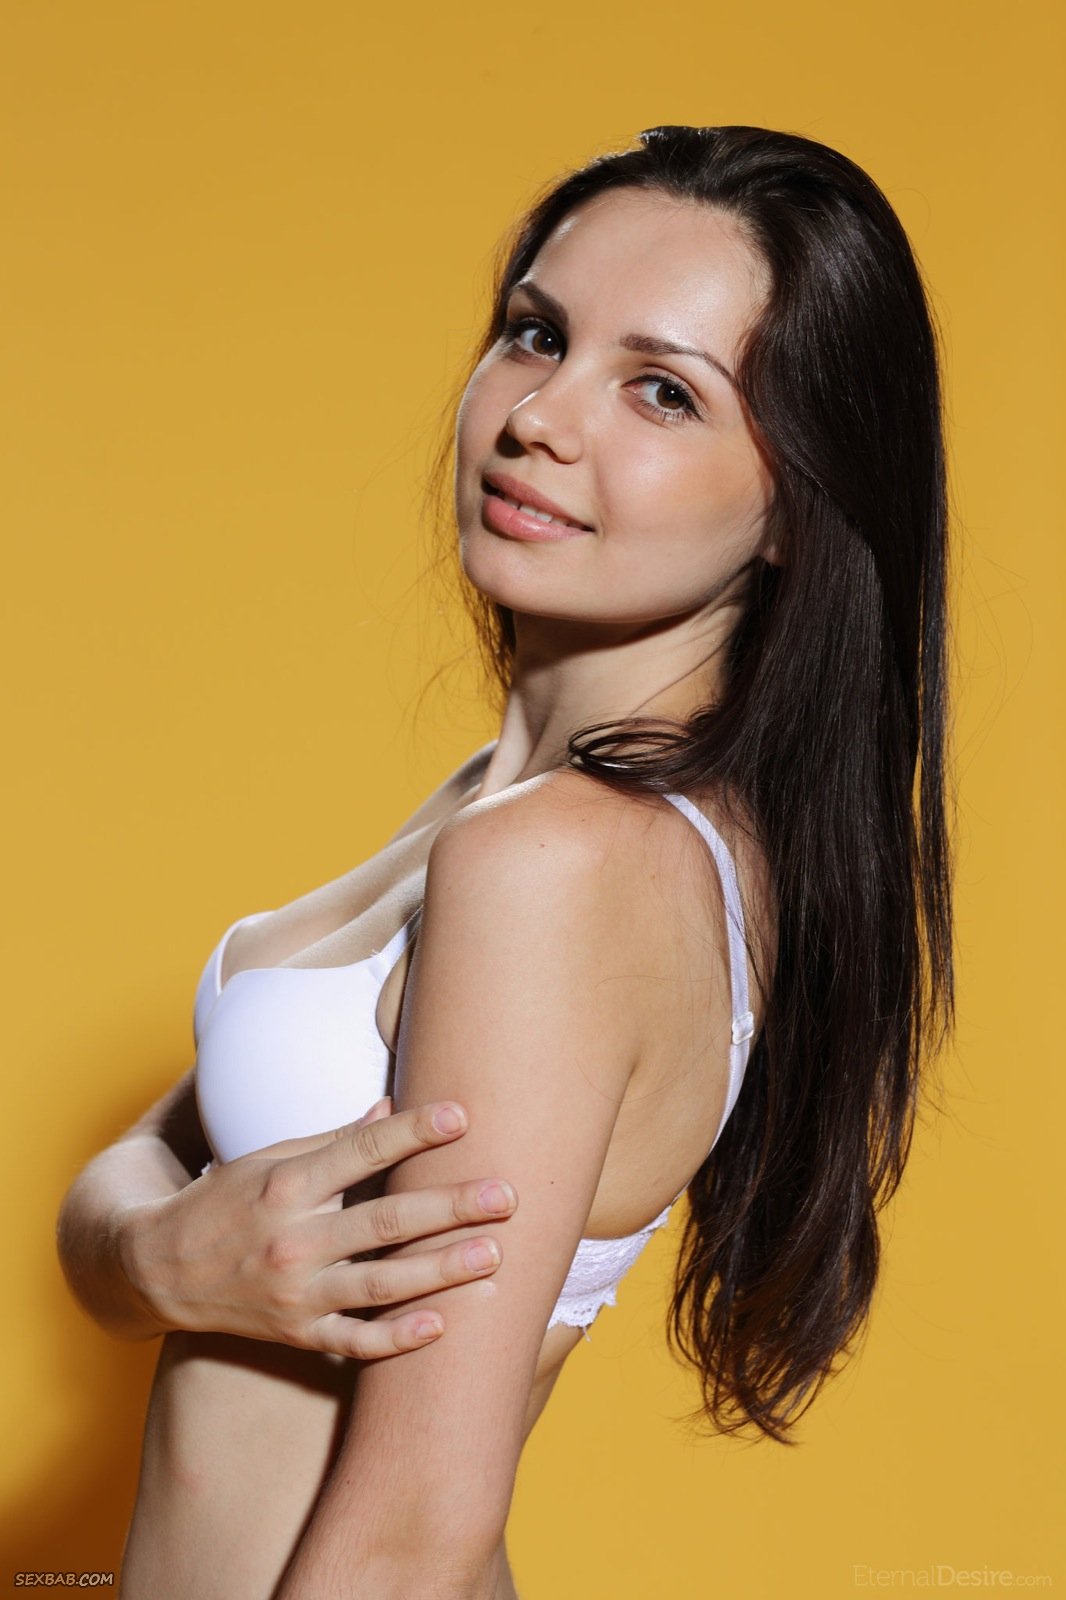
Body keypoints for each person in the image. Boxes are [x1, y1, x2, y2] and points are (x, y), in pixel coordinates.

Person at [56, 124, 955, 1599]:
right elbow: (140, 1177)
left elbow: (419, 1532)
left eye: (662, 390)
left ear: (797, 503)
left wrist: (139, 1253)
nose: (539, 417)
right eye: (537, 334)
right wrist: (150, 1258)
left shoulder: (564, 863)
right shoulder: (504, 807)